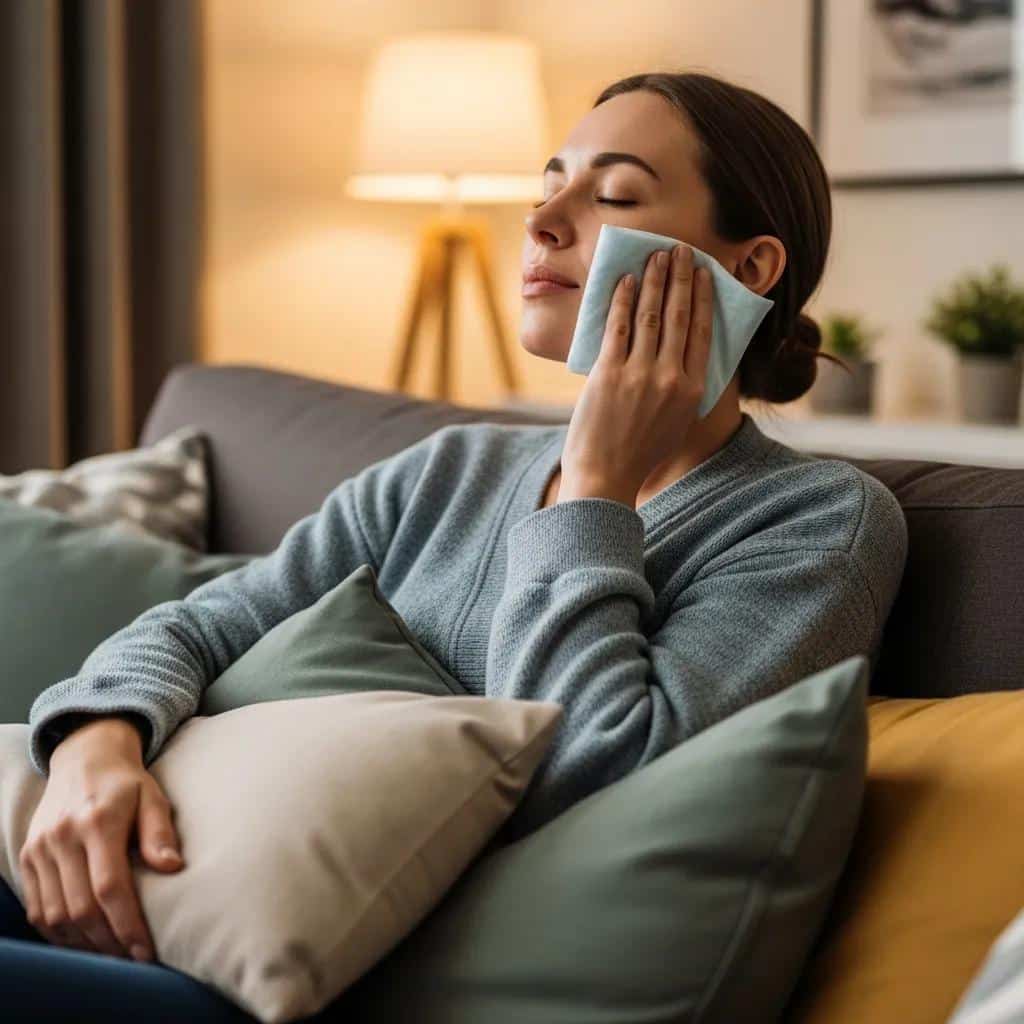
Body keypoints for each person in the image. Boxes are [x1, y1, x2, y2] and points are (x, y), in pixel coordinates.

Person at [2, 71, 907, 1018]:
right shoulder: (450, 469)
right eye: (546, 186)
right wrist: (95, 745)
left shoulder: (818, 523)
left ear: (751, 269)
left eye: (613, 195)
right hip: (147, 901)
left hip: (297, 980)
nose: (544, 220)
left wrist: (595, 488)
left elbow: (599, 779)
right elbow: (201, 625)